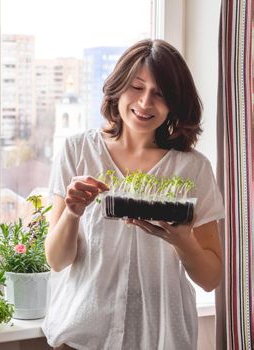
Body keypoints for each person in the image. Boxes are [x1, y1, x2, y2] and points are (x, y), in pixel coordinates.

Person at [42, 39, 224, 350]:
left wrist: (182, 239)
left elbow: (210, 278)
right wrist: (73, 212)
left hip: (162, 336)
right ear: (118, 88)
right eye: (137, 87)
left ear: (175, 103)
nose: (145, 103)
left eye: (160, 93)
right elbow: (57, 260)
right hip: (83, 335)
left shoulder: (193, 169)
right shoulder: (78, 151)